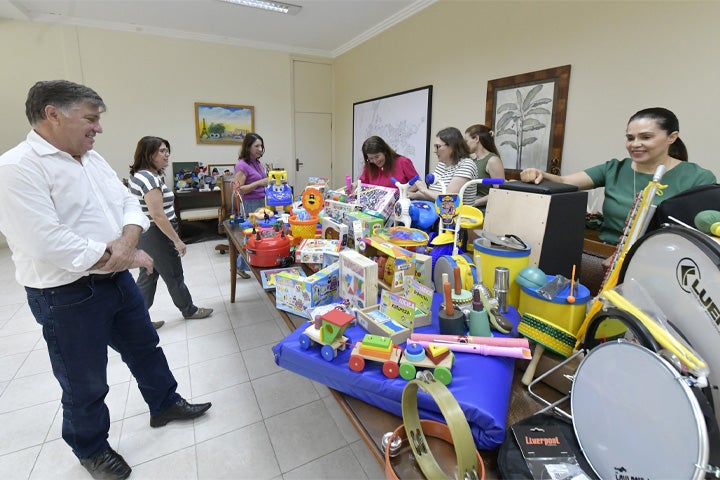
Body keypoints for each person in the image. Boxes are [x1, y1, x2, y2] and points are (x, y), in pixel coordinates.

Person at [0, 80, 212, 480]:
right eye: (91, 118)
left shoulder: (91, 158)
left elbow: (128, 203)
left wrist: (127, 244)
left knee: (145, 347)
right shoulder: (16, 167)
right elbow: (47, 242)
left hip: (116, 281)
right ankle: (91, 449)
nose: (98, 128)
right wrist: (127, 255)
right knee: (85, 380)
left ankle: (164, 403)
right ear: (52, 114)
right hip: (65, 295)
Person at [520, 107, 716, 245]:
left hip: (661, 262)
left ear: (672, 137)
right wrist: (539, 174)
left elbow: (701, 233)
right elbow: (565, 182)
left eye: (646, 137)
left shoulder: (698, 178)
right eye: (630, 138)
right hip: (606, 256)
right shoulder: (614, 168)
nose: (635, 144)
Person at [129, 136, 213, 326]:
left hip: (147, 233)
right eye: (161, 151)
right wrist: (177, 240)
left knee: (148, 275)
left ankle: (136, 321)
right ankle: (189, 310)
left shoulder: (140, 175)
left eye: (167, 150)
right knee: (174, 275)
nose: (166, 154)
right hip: (157, 233)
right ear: (148, 153)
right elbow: (158, 215)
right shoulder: (149, 179)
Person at [409, 127, 478, 206]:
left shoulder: (467, 164)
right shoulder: (442, 164)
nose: (435, 151)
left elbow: (448, 198)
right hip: (438, 210)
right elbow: (435, 195)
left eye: (438, 146)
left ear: (452, 147)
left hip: (457, 213)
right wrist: (415, 195)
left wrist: (424, 190)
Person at [233, 132, 268, 279]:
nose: (260, 149)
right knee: (253, 236)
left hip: (261, 202)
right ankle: (238, 265)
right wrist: (260, 182)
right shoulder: (242, 165)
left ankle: (243, 264)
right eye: (256, 146)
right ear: (248, 147)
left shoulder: (257, 162)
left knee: (259, 234)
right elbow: (239, 190)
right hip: (251, 204)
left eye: (261, 146)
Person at [464, 124, 505, 208]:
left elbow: (499, 192)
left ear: (476, 139)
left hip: (484, 209)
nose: (464, 145)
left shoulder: (493, 160)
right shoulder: (473, 161)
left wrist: (474, 203)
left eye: (466, 141)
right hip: (471, 207)